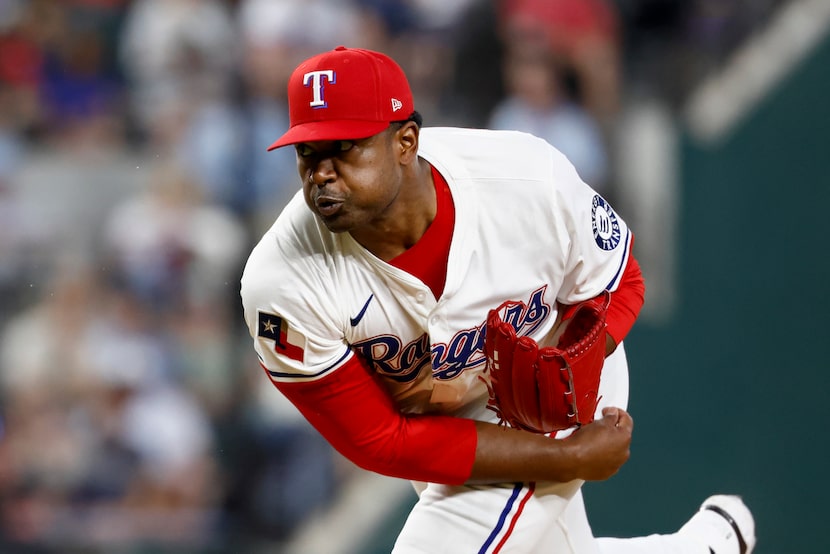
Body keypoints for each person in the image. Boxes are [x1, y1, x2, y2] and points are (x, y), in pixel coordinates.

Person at [239, 46, 755, 554]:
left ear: (406, 141)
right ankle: (709, 545)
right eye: (307, 151)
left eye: (344, 147)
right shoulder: (281, 281)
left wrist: (575, 363)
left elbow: (620, 280)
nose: (321, 172)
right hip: (447, 435)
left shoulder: (524, 178)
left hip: (553, 388)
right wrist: (567, 459)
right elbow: (380, 440)